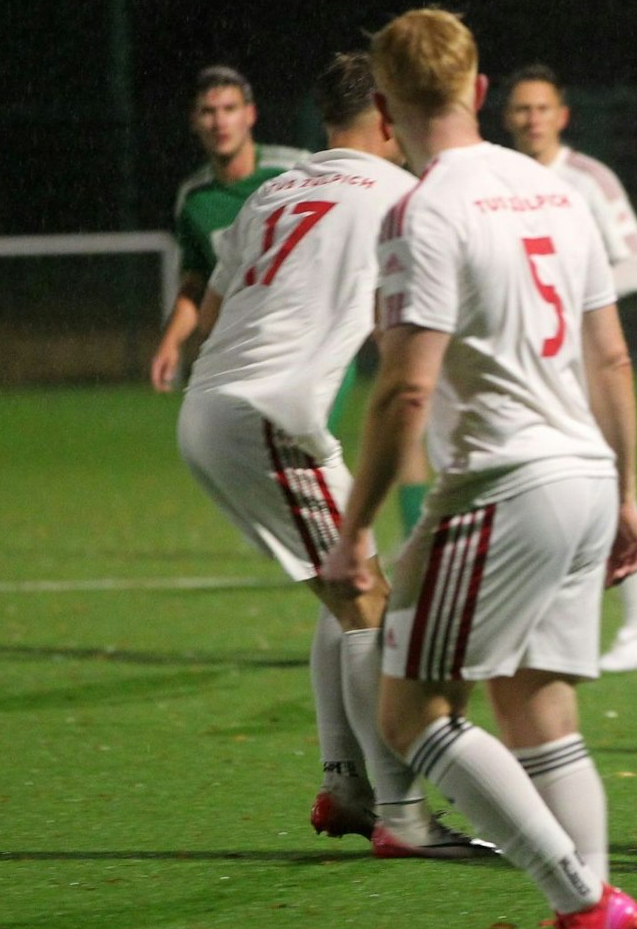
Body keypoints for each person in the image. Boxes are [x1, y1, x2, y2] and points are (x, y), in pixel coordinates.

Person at [319, 8, 637, 929]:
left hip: (504, 483)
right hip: (586, 473)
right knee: (539, 709)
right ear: (478, 83)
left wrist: (355, 527)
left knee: (411, 713)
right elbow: (611, 357)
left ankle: (580, 903)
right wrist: (627, 494)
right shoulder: (556, 187)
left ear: (383, 105)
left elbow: (406, 391)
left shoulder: (421, 210)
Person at [176, 52, 482, 860]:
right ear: (387, 114)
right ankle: (401, 815)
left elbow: (214, 310)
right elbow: (411, 329)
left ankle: (347, 788)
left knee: (349, 582)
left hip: (217, 405)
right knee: (366, 607)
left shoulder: (276, 189)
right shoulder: (399, 196)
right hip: (270, 417)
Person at [503, 63, 637, 674]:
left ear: (562, 115)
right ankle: (532, 619)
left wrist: (574, 302)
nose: (532, 119)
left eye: (542, 108)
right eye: (521, 109)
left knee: (612, 479)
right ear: (507, 116)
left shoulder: (590, 179)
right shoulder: (500, 178)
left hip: (585, 359)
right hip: (527, 361)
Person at [151, 66, 308, 392]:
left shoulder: (296, 171)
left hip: (307, 342)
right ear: (194, 121)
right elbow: (196, 283)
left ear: (250, 115)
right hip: (244, 354)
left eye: (229, 109)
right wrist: (171, 341)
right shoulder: (195, 199)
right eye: (208, 112)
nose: (219, 122)